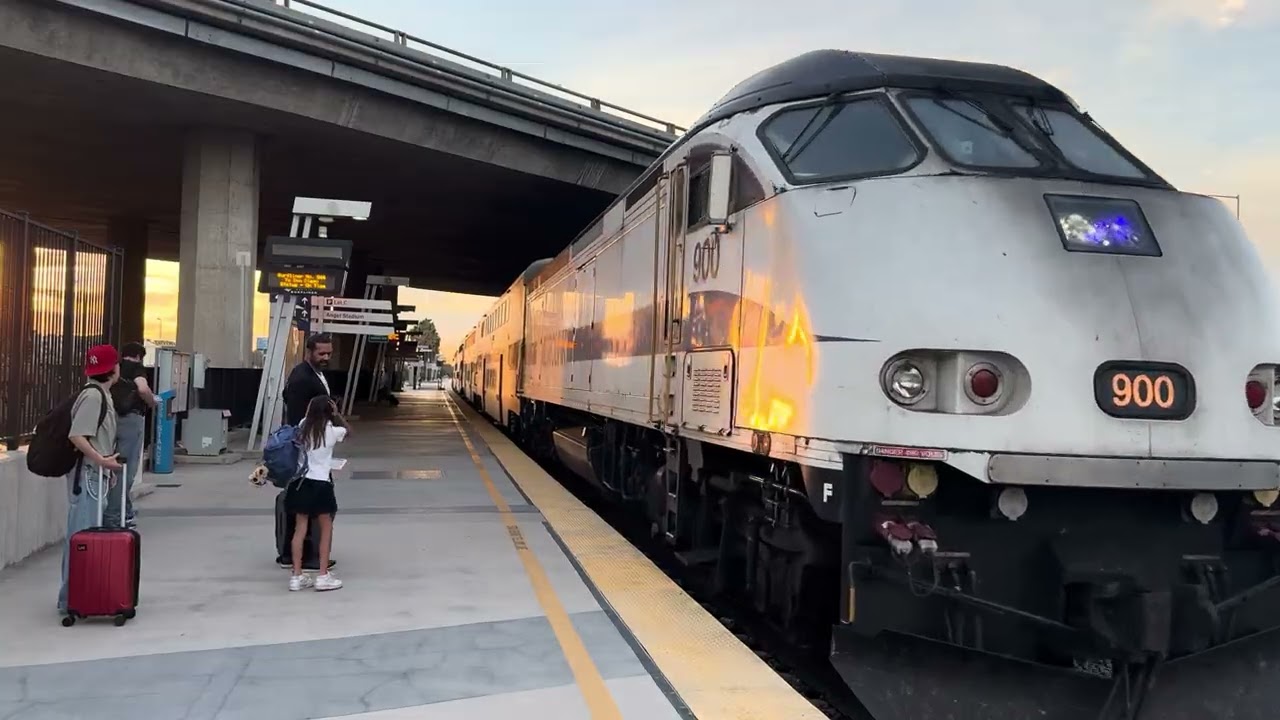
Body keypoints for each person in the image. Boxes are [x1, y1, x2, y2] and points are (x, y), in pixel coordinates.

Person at [58, 345, 125, 615]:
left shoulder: (100, 394)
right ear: (114, 369)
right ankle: (71, 599)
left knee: (87, 538)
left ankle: (84, 595)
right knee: (81, 538)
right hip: (88, 475)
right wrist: (101, 461)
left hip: (96, 474)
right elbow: (77, 436)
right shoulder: (94, 397)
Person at [276, 333, 337, 571]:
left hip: (311, 448)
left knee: (298, 502)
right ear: (308, 352)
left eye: (329, 353)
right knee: (318, 505)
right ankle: (310, 557)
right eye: (321, 353)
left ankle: (290, 555)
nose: (326, 357)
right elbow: (296, 414)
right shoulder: (303, 377)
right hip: (310, 451)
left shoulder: (311, 373)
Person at [287, 395, 349, 592]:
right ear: (329, 411)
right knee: (325, 529)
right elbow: (349, 431)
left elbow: (307, 419)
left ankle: (297, 576)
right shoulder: (332, 431)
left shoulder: (303, 425)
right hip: (321, 484)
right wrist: (338, 415)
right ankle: (323, 575)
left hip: (301, 483)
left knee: (300, 529)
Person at [107, 341, 157, 529]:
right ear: (139, 356)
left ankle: (125, 511)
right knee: (126, 469)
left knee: (111, 465)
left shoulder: (115, 369)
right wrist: (152, 402)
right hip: (131, 419)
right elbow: (142, 389)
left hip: (111, 418)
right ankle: (113, 516)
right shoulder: (137, 369)